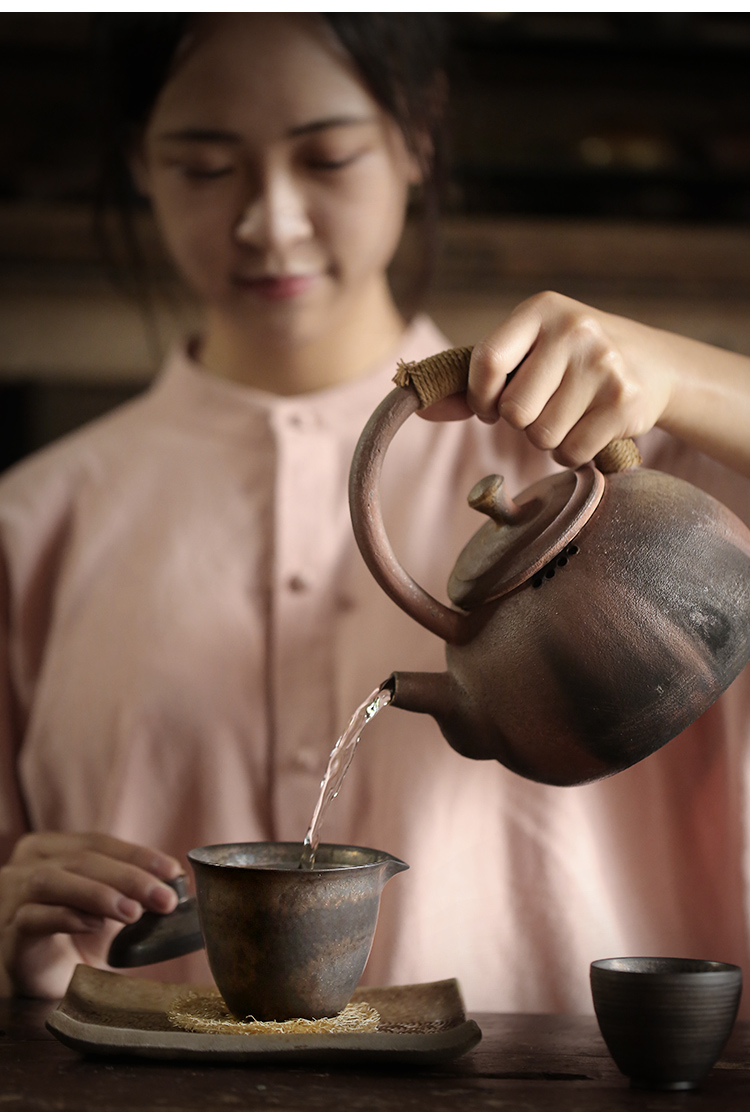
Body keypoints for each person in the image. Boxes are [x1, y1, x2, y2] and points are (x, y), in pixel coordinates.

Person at [1, 13, 749, 1011]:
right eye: (202, 165)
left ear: (417, 138)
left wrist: (683, 374)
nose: (271, 220)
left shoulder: (637, 470)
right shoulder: (31, 522)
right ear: (139, 161)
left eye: (329, 155)